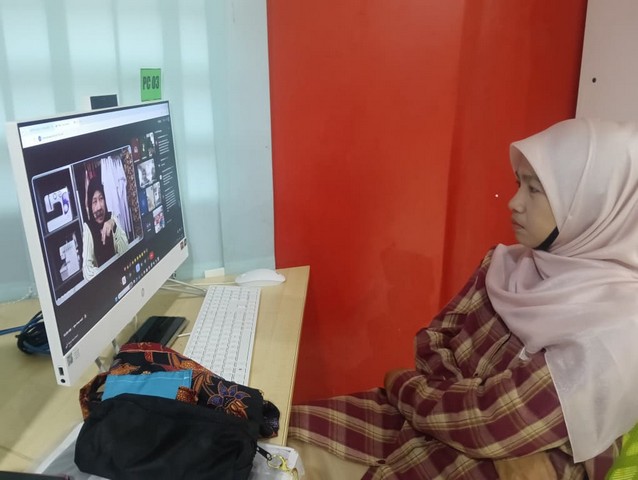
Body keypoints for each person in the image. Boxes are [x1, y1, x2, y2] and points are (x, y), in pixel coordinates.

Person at [287, 118, 638, 479]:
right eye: (519, 184)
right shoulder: (504, 264)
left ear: (592, 203)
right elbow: (432, 342)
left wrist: (400, 383)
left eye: (535, 190)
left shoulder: (616, 331)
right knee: (279, 433)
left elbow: (496, 423)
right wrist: (462, 405)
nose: (514, 203)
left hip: (495, 465)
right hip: (432, 424)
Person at [82, 177, 129, 280]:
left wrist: (114, 225)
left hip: (122, 276)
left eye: (101, 199)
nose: (99, 207)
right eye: (94, 201)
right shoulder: (88, 228)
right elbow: (86, 269)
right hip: (104, 281)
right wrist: (106, 274)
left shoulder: (112, 217)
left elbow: (126, 251)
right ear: (90, 205)